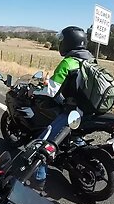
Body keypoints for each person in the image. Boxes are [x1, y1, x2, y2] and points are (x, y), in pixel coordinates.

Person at [32, 26, 93, 193]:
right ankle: (79, 156)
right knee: (76, 138)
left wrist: (36, 91)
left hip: (72, 112)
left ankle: (38, 180)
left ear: (68, 43)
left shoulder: (68, 62)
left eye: (62, 40)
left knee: (42, 143)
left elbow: (51, 91)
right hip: (87, 111)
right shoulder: (90, 60)